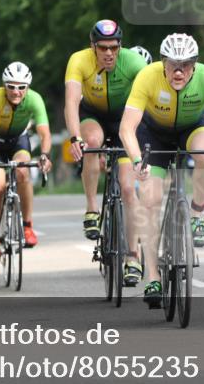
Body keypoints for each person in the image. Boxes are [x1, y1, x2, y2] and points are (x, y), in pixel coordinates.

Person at [119, 33, 204, 308]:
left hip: (192, 127)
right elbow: (127, 127)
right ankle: (152, 276)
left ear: (195, 65)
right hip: (154, 134)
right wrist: (137, 160)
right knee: (149, 200)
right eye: (173, 63)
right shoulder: (147, 77)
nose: (179, 70)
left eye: (186, 64)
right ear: (162, 62)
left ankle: (196, 212)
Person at [63, 20, 148, 285]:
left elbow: (151, 97)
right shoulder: (79, 61)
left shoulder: (134, 62)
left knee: (127, 189)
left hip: (125, 121)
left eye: (114, 47)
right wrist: (74, 138)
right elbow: (70, 102)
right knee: (92, 141)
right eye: (103, 48)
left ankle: (133, 257)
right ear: (93, 46)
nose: (109, 53)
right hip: (93, 116)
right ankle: (91, 209)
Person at [0, 62, 53, 261]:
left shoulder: (35, 99)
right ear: (5, 86)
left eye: (21, 87)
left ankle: (27, 225)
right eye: (11, 86)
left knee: (23, 172)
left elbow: (44, 133)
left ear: (27, 87)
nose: (16, 91)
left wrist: (45, 155)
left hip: (18, 141)